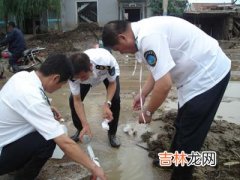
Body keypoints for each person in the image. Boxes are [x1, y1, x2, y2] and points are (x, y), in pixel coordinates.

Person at [102, 16, 231, 180]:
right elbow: (158, 69)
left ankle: (180, 176)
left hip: (209, 76)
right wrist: (143, 93)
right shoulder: (139, 33)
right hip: (191, 79)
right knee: (182, 124)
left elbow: (164, 85)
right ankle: (171, 160)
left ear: (122, 37)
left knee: (189, 138)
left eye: (119, 48)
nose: (121, 52)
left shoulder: (148, 37)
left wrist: (148, 112)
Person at [0, 54, 106, 180]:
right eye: (61, 84)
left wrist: (47, 108)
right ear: (56, 78)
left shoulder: (22, 76)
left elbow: (18, 105)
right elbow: (65, 143)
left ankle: (17, 165)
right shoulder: (33, 99)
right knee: (48, 141)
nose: (60, 88)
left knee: (44, 132)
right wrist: (94, 168)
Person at [69, 48, 121, 148]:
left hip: (105, 75)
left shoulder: (106, 62)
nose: (80, 79)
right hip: (88, 77)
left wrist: (107, 104)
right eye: (77, 78)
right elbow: (77, 100)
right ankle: (81, 129)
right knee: (72, 101)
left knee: (115, 100)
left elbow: (112, 83)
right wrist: (85, 124)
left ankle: (112, 134)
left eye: (82, 76)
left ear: (90, 67)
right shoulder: (72, 75)